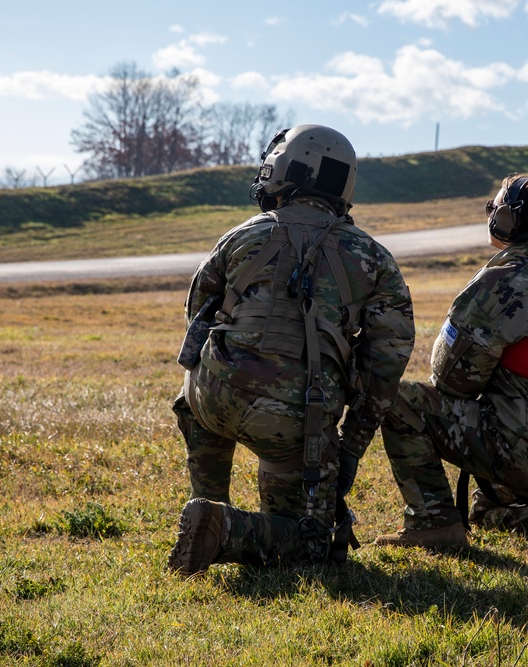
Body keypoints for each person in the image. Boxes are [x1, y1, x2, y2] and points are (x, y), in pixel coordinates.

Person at [168, 124, 415, 575]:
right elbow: (386, 364)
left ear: (287, 169)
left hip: (210, 399)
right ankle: (222, 527)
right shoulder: (373, 257)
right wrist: (348, 450)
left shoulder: (241, 235)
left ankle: (207, 502)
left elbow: (196, 318)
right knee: (310, 544)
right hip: (295, 421)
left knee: (198, 395)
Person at [374, 173, 528, 550]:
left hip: (523, 450)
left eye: (492, 208)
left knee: (400, 403)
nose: (489, 215)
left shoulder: (497, 286)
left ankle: (433, 524)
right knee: (484, 511)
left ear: (507, 220)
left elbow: (451, 381)